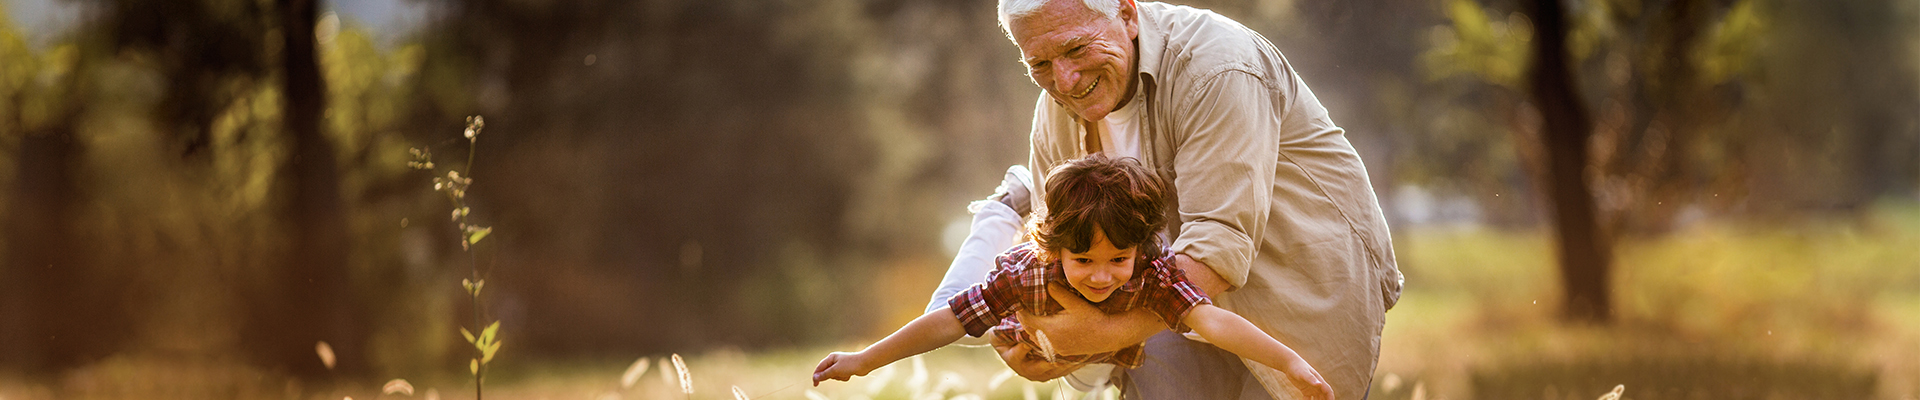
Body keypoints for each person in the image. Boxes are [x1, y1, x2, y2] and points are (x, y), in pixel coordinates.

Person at [978, 0, 1405, 399]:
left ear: (1126, 15)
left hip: (1295, 298)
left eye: (1076, 49)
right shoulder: (1053, 111)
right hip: (1164, 315)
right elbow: (1055, 247)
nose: (1064, 80)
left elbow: (1218, 242)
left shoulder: (1217, 67)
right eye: (1039, 64)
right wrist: (1040, 339)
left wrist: (1100, 335)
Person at [812, 155, 1335, 400]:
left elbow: (1213, 322)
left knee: (1090, 379)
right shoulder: (1026, 273)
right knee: (947, 311)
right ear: (1055, 247)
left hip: (1095, 349)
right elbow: (948, 321)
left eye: (1117, 259)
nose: (1102, 276)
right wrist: (864, 360)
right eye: (1083, 260)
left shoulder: (1153, 273)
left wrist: (1290, 362)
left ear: (1140, 249)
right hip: (1027, 330)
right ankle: (1004, 209)